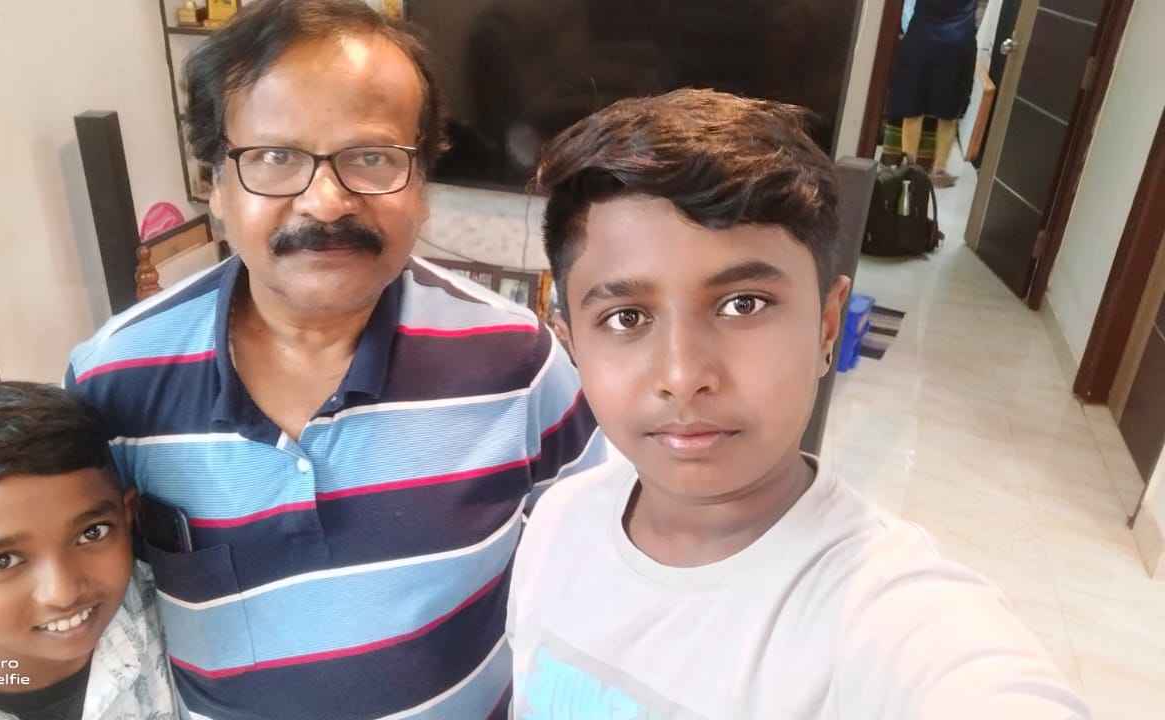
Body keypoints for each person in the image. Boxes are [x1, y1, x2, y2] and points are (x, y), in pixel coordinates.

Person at [65, 1, 602, 718]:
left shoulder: (517, 361)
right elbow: (58, 597)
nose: (325, 202)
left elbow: (601, 555)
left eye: (372, 158)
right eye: (275, 158)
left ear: (422, 184)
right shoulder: (113, 379)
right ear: (216, 185)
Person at [506, 89, 1091, 718]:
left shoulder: (887, 616)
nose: (683, 376)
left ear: (827, 326)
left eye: (743, 304)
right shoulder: (559, 523)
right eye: (626, 317)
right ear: (571, 342)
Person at [0, 382, 177, 720]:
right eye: (2, 561)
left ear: (127, 517)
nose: (64, 593)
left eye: (91, 533)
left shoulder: (169, 599)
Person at [888, 0, 978, 187]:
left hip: (921, 37)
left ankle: (909, 166)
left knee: (912, 105)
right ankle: (939, 170)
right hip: (958, 40)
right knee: (949, 111)